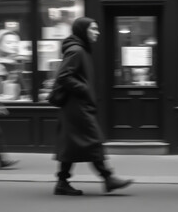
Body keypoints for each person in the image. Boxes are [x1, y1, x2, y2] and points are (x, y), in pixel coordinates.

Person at [53, 17, 132, 196]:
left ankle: (62, 181)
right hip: (76, 106)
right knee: (93, 141)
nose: (97, 32)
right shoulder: (76, 51)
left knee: (73, 144)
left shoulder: (81, 50)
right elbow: (64, 76)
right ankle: (108, 177)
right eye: (93, 29)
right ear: (83, 30)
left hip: (76, 105)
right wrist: (84, 89)